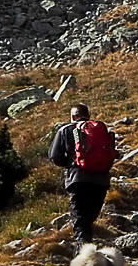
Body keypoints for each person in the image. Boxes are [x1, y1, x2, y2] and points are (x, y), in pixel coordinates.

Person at [48, 103, 117, 244]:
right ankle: (86, 251)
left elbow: (55, 156)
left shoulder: (65, 130)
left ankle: (82, 255)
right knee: (89, 219)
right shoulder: (99, 130)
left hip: (77, 180)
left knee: (80, 219)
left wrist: (70, 164)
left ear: (73, 116)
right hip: (101, 180)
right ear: (88, 116)